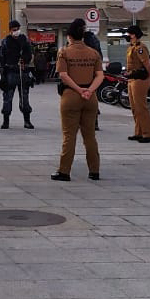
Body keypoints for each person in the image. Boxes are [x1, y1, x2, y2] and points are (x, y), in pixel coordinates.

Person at [52, 19, 104, 181]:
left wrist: (78, 89)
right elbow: (100, 75)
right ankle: (94, 170)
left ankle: (64, 171)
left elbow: (63, 75)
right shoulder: (93, 53)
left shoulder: (64, 52)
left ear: (69, 37)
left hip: (71, 96)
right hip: (90, 97)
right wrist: (89, 90)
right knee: (90, 136)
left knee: (69, 135)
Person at [0, 19, 34, 129]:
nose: (17, 31)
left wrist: (25, 61)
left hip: (23, 71)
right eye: (14, 29)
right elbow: (0, 56)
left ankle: (27, 120)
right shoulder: (5, 42)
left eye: (18, 29)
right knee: (7, 97)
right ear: (10, 30)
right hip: (10, 72)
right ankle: (6, 121)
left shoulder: (25, 40)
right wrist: (4, 69)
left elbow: (30, 54)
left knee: (24, 97)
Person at [124, 25, 150, 143]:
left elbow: (147, 64)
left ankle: (148, 134)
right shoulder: (131, 47)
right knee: (134, 108)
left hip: (139, 80)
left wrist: (148, 78)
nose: (127, 36)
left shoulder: (140, 48)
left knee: (141, 107)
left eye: (129, 34)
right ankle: (139, 132)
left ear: (134, 35)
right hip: (131, 79)